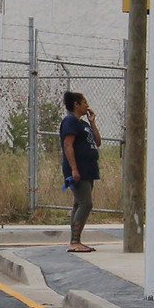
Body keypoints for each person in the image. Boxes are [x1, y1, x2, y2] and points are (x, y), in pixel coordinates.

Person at [58, 91, 101, 252]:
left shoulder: (83, 124)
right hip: (78, 169)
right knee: (85, 203)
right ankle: (75, 241)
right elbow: (68, 145)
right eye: (84, 102)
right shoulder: (70, 121)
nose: (87, 106)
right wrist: (74, 169)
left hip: (89, 169)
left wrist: (92, 123)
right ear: (76, 104)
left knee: (79, 203)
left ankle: (76, 240)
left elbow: (97, 142)